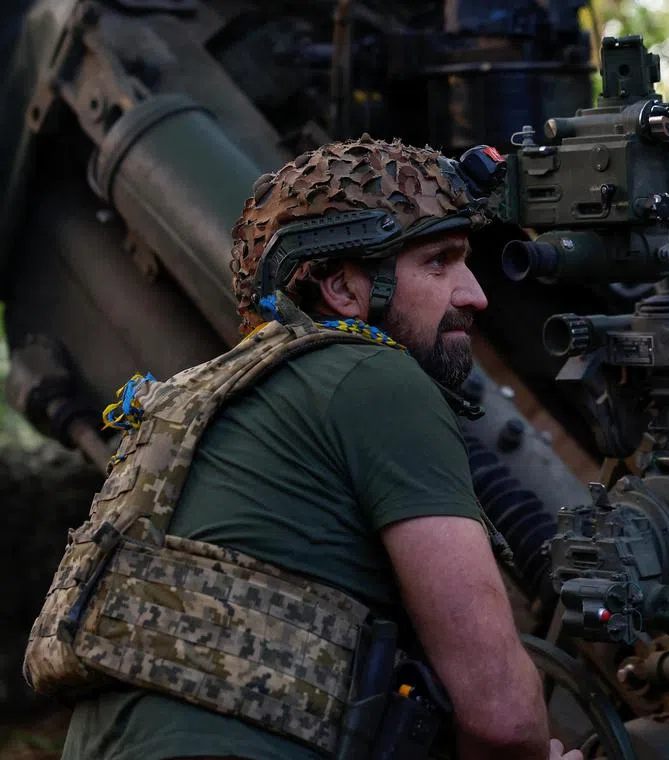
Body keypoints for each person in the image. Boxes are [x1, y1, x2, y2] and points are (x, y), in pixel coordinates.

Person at [30, 136, 582, 760]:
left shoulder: (205, 400)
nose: (474, 294)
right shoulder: (377, 378)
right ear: (344, 290)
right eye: (439, 261)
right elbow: (504, 717)